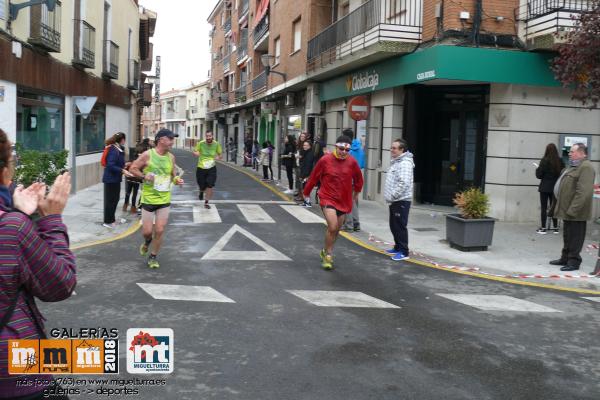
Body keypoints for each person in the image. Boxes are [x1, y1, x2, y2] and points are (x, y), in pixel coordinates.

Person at [0, 129, 76, 399]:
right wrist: (51, 220)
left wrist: (17, 214)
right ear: (5, 173)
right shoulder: (11, 228)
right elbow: (59, 284)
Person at [303, 135, 363, 270]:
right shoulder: (325, 160)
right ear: (336, 147)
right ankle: (329, 255)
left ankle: (325, 250)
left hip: (344, 200)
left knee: (336, 230)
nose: (344, 152)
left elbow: (359, 180)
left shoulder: (352, 162)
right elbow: (314, 177)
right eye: (341, 149)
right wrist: (306, 192)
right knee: (332, 226)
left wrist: (355, 194)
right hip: (327, 197)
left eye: (347, 150)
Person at [129, 128, 184, 269]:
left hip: (164, 199)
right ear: (161, 140)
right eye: (170, 139)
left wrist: (177, 180)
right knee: (147, 232)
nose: (173, 141)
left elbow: (173, 175)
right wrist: (143, 176)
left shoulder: (171, 157)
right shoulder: (148, 155)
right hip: (148, 199)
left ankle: (153, 257)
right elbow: (133, 168)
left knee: (159, 230)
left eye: (173, 139)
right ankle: (147, 242)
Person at [549, 143, 595, 272]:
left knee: (576, 237)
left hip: (576, 212)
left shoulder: (586, 167)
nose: (569, 153)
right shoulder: (573, 166)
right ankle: (565, 258)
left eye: (572, 151)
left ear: (581, 153)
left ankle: (574, 261)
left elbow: (583, 192)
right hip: (567, 209)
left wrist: (573, 209)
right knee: (568, 235)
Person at [384, 138, 414, 261]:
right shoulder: (397, 162)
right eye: (391, 147)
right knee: (394, 225)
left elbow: (404, 183)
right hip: (395, 201)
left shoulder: (405, 163)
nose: (392, 150)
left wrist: (393, 196)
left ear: (402, 150)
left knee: (400, 226)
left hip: (401, 200)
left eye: (394, 148)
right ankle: (397, 247)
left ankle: (403, 252)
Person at [102, 132, 131, 228]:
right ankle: (108, 221)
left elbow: (116, 163)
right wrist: (122, 170)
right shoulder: (113, 150)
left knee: (115, 199)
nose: (125, 141)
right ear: (122, 140)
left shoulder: (117, 149)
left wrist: (125, 165)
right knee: (111, 201)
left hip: (115, 179)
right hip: (110, 179)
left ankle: (112, 219)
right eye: (124, 139)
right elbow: (110, 165)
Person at [535, 143, 564, 234]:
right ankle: (555, 228)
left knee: (544, 208)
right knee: (553, 207)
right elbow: (563, 173)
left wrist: (537, 169)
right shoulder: (560, 160)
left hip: (544, 187)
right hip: (555, 187)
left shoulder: (544, 160)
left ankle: (543, 228)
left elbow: (539, 175)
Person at [193, 131, 222, 209]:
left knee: (210, 184)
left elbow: (220, 155)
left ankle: (206, 202)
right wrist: (196, 153)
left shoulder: (216, 144)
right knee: (201, 185)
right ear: (205, 137)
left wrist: (218, 158)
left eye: (209, 136)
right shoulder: (201, 143)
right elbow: (195, 151)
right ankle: (201, 191)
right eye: (207, 136)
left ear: (212, 136)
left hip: (211, 167)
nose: (208, 138)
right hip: (201, 167)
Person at [343, 137, 366, 232]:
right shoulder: (361, 150)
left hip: (349, 178)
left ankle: (349, 224)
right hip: (358, 176)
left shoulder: (349, 152)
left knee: (347, 201)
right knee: (353, 201)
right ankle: (356, 223)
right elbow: (363, 164)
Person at [123, 139, 150, 215]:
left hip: (130, 179)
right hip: (136, 180)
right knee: (133, 193)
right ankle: (133, 207)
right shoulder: (140, 161)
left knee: (128, 193)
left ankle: (127, 206)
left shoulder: (133, 159)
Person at [299, 140, 315, 207]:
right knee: (305, 188)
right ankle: (306, 201)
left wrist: (304, 176)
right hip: (305, 173)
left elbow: (308, 166)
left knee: (306, 188)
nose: (304, 146)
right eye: (304, 145)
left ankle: (308, 202)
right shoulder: (306, 153)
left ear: (310, 146)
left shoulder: (310, 154)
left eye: (306, 145)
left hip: (307, 175)